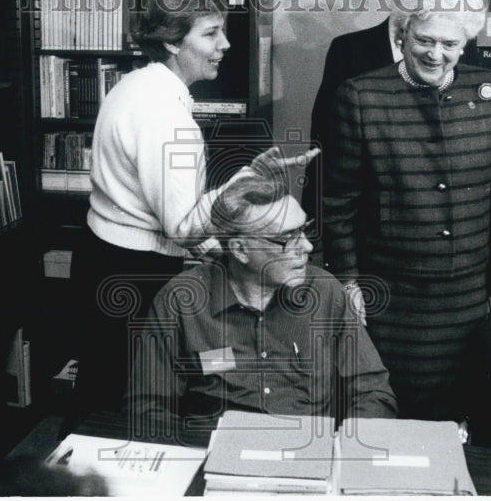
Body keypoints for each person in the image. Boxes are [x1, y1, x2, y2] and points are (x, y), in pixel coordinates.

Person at [69, 0, 317, 424]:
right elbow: (183, 229)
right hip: (135, 272)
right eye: (210, 33)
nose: (224, 45)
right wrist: (242, 185)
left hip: (105, 259)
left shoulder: (136, 85)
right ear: (170, 41)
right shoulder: (166, 115)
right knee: (124, 396)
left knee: (104, 385)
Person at [322, 0, 491, 422]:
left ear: (466, 43)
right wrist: (349, 281)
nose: (437, 54)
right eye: (424, 40)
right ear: (402, 34)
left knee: (460, 405)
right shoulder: (361, 95)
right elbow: (337, 202)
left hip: (467, 289)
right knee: (387, 403)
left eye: (450, 44)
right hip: (391, 289)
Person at [126, 174, 397, 437]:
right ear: (240, 249)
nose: (307, 245)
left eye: (304, 229)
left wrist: (339, 448)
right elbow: (147, 407)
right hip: (211, 456)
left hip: (306, 455)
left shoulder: (326, 294)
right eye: (287, 238)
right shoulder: (180, 301)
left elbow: (373, 393)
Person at [303, 0, 480, 226]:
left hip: (441, 214)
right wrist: (314, 216)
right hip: (370, 214)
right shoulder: (349, 50)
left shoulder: (461, 46)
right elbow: (325, 137)